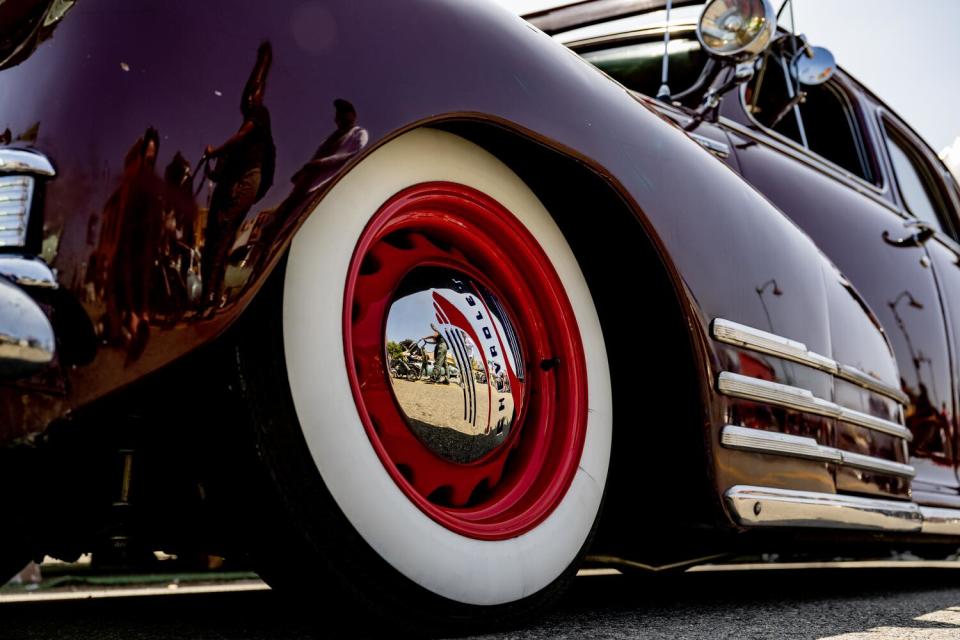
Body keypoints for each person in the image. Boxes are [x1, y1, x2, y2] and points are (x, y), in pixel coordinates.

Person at [201, 41, 276, 310]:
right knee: (217, 235)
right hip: (235, 181)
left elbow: (241, 135)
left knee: (225, 234)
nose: (248, 99)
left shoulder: (258, 114)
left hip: (248, 180)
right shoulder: (243, 138)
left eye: (252, 94)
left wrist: (214, 151)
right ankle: (209, 292)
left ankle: (214, 293)